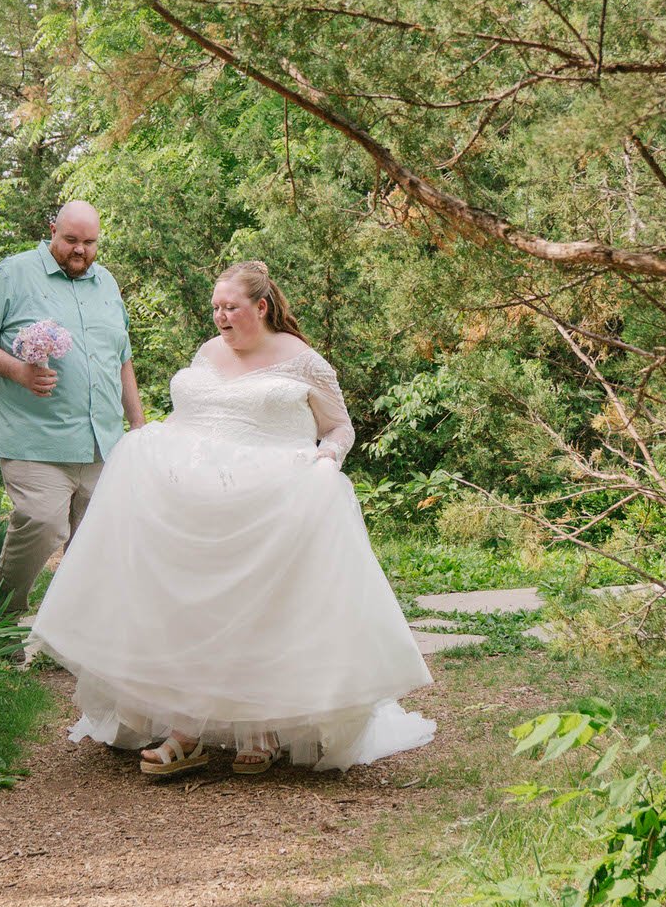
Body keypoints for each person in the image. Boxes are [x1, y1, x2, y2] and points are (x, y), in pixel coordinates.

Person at [30, 259, 434, 777]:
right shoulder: (208, 351)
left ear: (260, 307)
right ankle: (184, 728)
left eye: (231, 308)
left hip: (272, 495)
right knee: (189, 608)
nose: (220, 317)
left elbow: (339, 429)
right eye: (216, 308)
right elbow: (194, 416)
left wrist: (326, 461)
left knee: (257, 608)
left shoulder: (304, 361)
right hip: (195, 497)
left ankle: (259, 724)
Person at [0, 202, 144, 616]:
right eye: (71, 240)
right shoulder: (13, 274)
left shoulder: (107, 284)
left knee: (95, 546)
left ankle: (73, 636)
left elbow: (122, 357)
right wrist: (18, 371)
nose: (80, 250)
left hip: (102, 443)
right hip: (35, 437)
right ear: (52, 230)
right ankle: (2, 614)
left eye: (89, 243)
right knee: (43, 523)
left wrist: (138, 423)